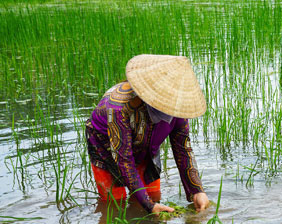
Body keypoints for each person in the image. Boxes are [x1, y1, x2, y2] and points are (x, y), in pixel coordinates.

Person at [85, 54, 209, 214]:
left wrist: (197, 190)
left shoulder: (177, 111)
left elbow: (183, 150)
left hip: (146, 145)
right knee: (114, 205)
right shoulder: (118, 109)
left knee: (153, 194)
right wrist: (149, 206)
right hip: (106, 149)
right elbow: (124, 160)